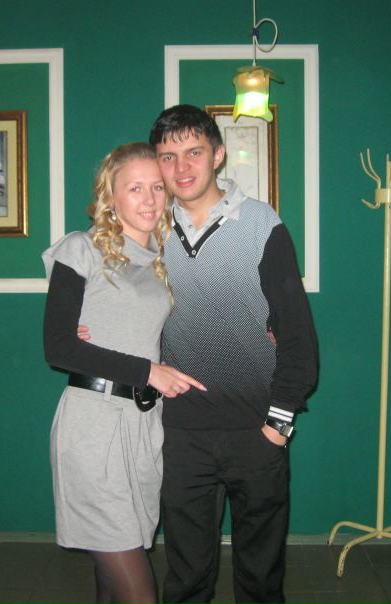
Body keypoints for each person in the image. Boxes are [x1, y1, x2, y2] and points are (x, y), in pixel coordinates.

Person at [150, 105, 319, 604]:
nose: (182, 168)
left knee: (261, 579)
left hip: (256, 430)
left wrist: (278, 425)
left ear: (218, 154)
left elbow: (297, 334)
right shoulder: (149, 228)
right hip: (181, 433)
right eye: (168, 157)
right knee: (186, 577)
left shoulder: (262, 223)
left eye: (194, 152)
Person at [42, 141, 206, 604]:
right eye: (135, 188)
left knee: (112, 582)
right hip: (94, 425)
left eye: (157, 187)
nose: (149, 199)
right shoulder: (82, 249)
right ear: (110, 195)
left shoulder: (163, 258)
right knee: (139, 593)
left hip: (143, 425)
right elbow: (58, 347)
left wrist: (262, 330)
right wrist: (146, 371)